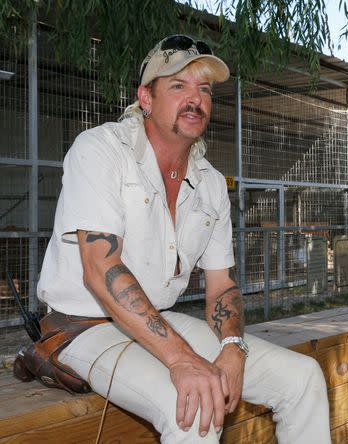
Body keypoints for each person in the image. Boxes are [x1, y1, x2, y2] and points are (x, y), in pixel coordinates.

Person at [37, 35, 331, 443]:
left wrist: (231, 345)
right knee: (194, 410)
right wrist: (183, 361)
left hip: (159, 318)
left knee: (303, 378)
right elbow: (100, 268)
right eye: (178, 86)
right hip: (84, 327)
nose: (195, 99)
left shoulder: (210, 182)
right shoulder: (101, 149)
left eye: (204, 89)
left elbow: (222, 285)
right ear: (146, 97)